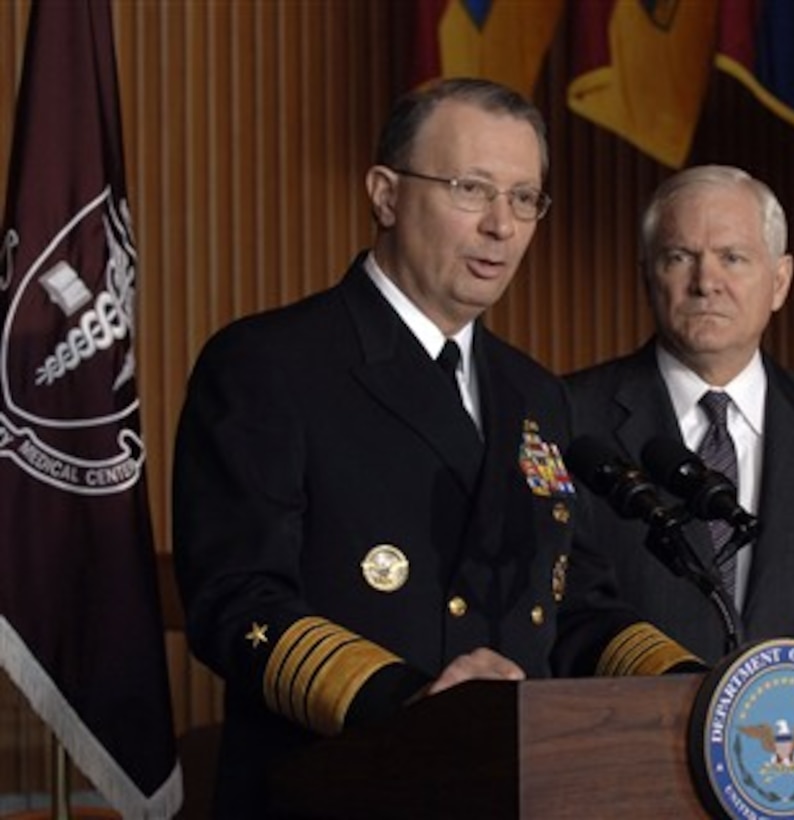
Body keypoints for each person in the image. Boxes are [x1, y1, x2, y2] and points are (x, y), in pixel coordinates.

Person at [172, 78, 700, 817]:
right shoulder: (270, 364)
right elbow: (237, 600)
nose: (501, 226)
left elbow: (572, 603)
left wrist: (695, 685)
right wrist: (408, 700)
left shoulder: (535, 393)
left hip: (512, 792)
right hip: (338, 790)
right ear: (385, 195)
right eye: (470, 189)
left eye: (525, 199)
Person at [566, 164, 794, 668]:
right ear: (646, 274)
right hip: (622, 736)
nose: (706, 282)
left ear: (780, 282)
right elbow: (560, 619)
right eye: (679, 257)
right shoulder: (569, 418)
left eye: (732, 258)